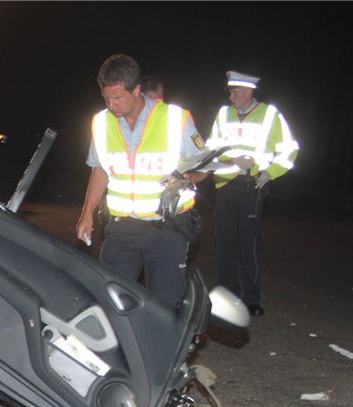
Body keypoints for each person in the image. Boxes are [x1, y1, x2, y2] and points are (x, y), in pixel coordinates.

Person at [76, 54, 207, 308]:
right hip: (121, 231)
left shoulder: (175, 119)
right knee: (112, 305)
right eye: (106, 97)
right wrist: (87, 213)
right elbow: (100, 169)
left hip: (167, 230)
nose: (111, 105)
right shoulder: (101, 123)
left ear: (136, 90)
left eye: (118, 98)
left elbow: (204, 165)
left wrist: (189, 177)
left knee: (165, 307)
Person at [206, 71, 298, 316]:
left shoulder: (270, 115)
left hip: (251, 187)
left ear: (248, 92)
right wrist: (229, 157)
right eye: (230, 92)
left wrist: (267, 171)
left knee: (247, 244)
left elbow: (289, 149)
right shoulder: (223, 114)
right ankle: (227, 298)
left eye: (235, 92)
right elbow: (210, 147)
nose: (231, 96)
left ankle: (251, 299)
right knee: (224, 243)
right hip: (225, 185)